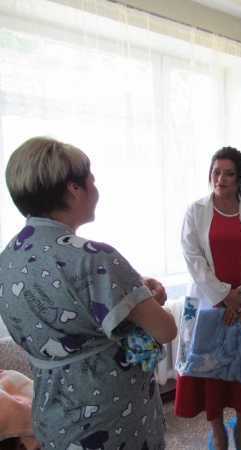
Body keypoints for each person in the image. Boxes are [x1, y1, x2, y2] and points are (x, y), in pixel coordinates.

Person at [0, 137, 177, 449]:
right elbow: (165, 329)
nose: (96, 187)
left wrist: (132, 288)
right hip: (111, 419)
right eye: (91, 178)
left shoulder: (8, 259)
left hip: (52, 415)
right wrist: (148, 301)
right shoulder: (95, 257)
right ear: (74, 188)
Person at [175, 147, 241, 450]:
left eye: (229, 173)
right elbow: (192, 258)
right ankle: (217, 432)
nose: (221, 178)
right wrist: (222, 295)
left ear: (239, 178)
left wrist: (239, 295)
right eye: (216, 172)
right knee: (210, 372)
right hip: (208, 302)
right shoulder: (195, 211)